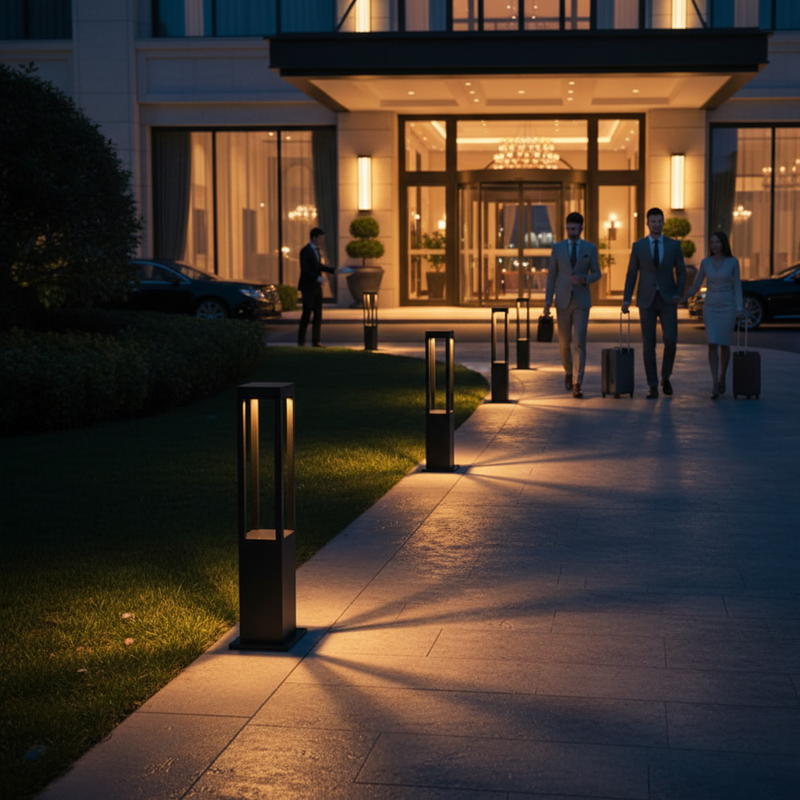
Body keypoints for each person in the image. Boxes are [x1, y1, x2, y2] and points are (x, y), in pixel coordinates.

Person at [621, 207, 687, 399]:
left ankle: (665, 377)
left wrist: (678, 294)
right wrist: (626, 299)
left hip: (668, 299)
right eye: (653, 221)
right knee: (648, 344)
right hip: (646, 300)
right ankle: (652, 386)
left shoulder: (673, 245)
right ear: (647, 223)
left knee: (671, 340)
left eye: (659, 221)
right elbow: (632, 273)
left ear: (663, 222)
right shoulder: (639, 246)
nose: (656, 224)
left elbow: (682, 272)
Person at [544, 211, 601, 398]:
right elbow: (552, 276)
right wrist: (547, 303)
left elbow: (597, 273)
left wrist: (584, 278)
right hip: (562, 301)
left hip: (582, 302)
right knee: (563, 344)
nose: (571, 231)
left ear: (581, 228)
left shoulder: (589, 248)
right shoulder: (558, 248)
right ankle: (568, 371)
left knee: (579, 342)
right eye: (569, 228)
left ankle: (578, 382)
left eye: (574, 228)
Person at [686, 231, 743, 399]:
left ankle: (722, 376)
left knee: (724, 344)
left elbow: (738, 286)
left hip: (728, 306)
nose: (714, 245)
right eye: (712, 242)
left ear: (723, 243)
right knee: (712, 343)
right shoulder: (705, 262)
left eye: (717, 242)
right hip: (710, 307)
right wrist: (684, 296)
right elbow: (696, 284)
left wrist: (739, 307)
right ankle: (714, 383)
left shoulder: (733, 262)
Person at [298, 227, 336, 347]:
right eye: (320, 238)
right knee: (307, 313)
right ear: (314, 238)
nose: (321, 240)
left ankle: (316, 340)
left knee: (318, 314)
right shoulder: (305, 251)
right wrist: (318, 278)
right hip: (308, 287)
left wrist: (332, 270)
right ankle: (301, 341)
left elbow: (318, 266)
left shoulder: (316, 251)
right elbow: (305, 270)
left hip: (317, 287)